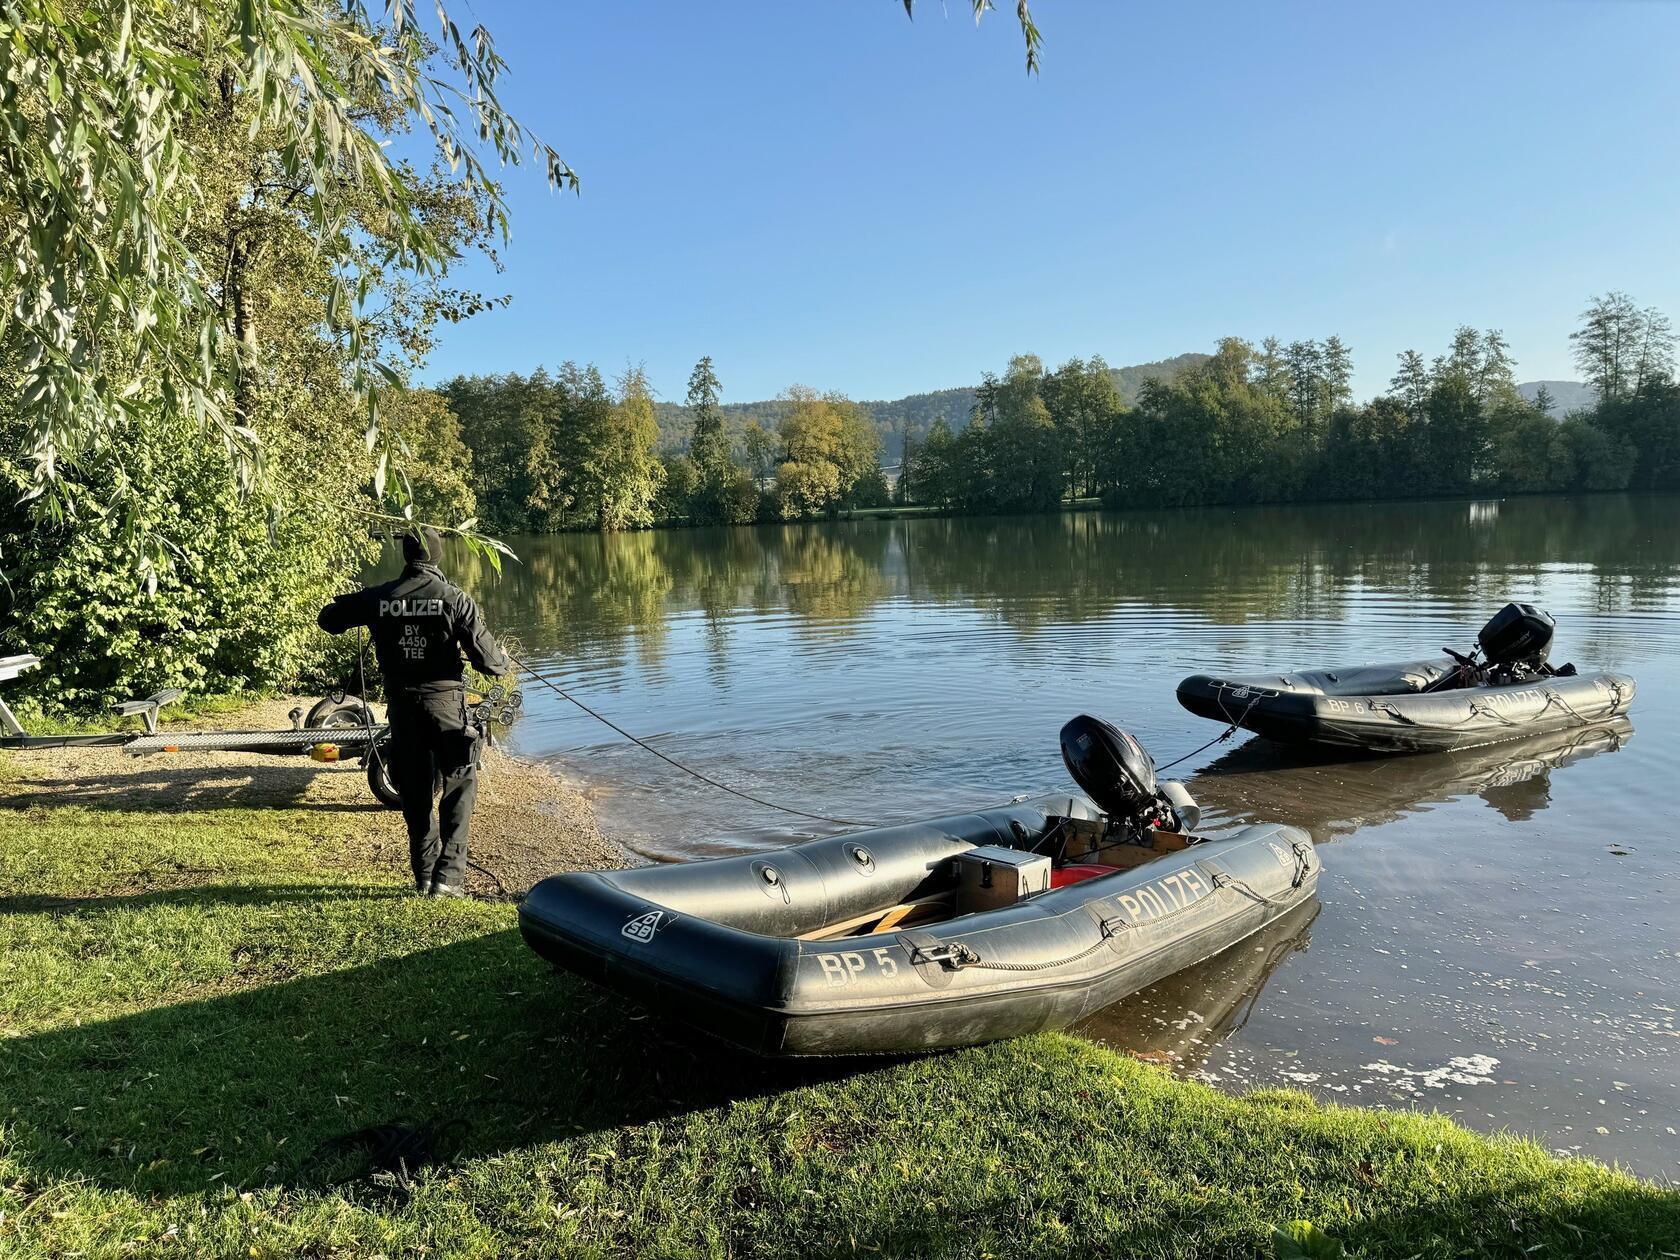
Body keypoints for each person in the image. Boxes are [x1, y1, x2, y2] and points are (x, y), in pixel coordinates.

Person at [318, 527, 509, 896]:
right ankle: (449, 878)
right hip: (446, 709)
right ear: (436, 557)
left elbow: (329, 619)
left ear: (407, 557)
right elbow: (491, 664)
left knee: (416, 791)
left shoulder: (381, 596)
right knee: (459, 784)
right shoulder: (454, 598)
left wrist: (362, 603)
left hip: (403, 709)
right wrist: (500, 656)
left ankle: (424, 875)